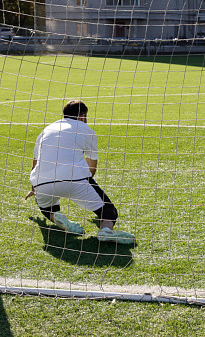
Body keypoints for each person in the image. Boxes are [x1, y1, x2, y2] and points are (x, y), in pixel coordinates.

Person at [26, 100, 135, 245]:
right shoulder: (86, 129)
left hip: (41, 181)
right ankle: (106, 231)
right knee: (109, 211)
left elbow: (35, 165)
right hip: (75, 179)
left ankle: (55, 216)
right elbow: (92, 167)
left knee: (46, 208)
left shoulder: (45, 130)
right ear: (83, 116)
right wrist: (87, 187)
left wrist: (34, 188)